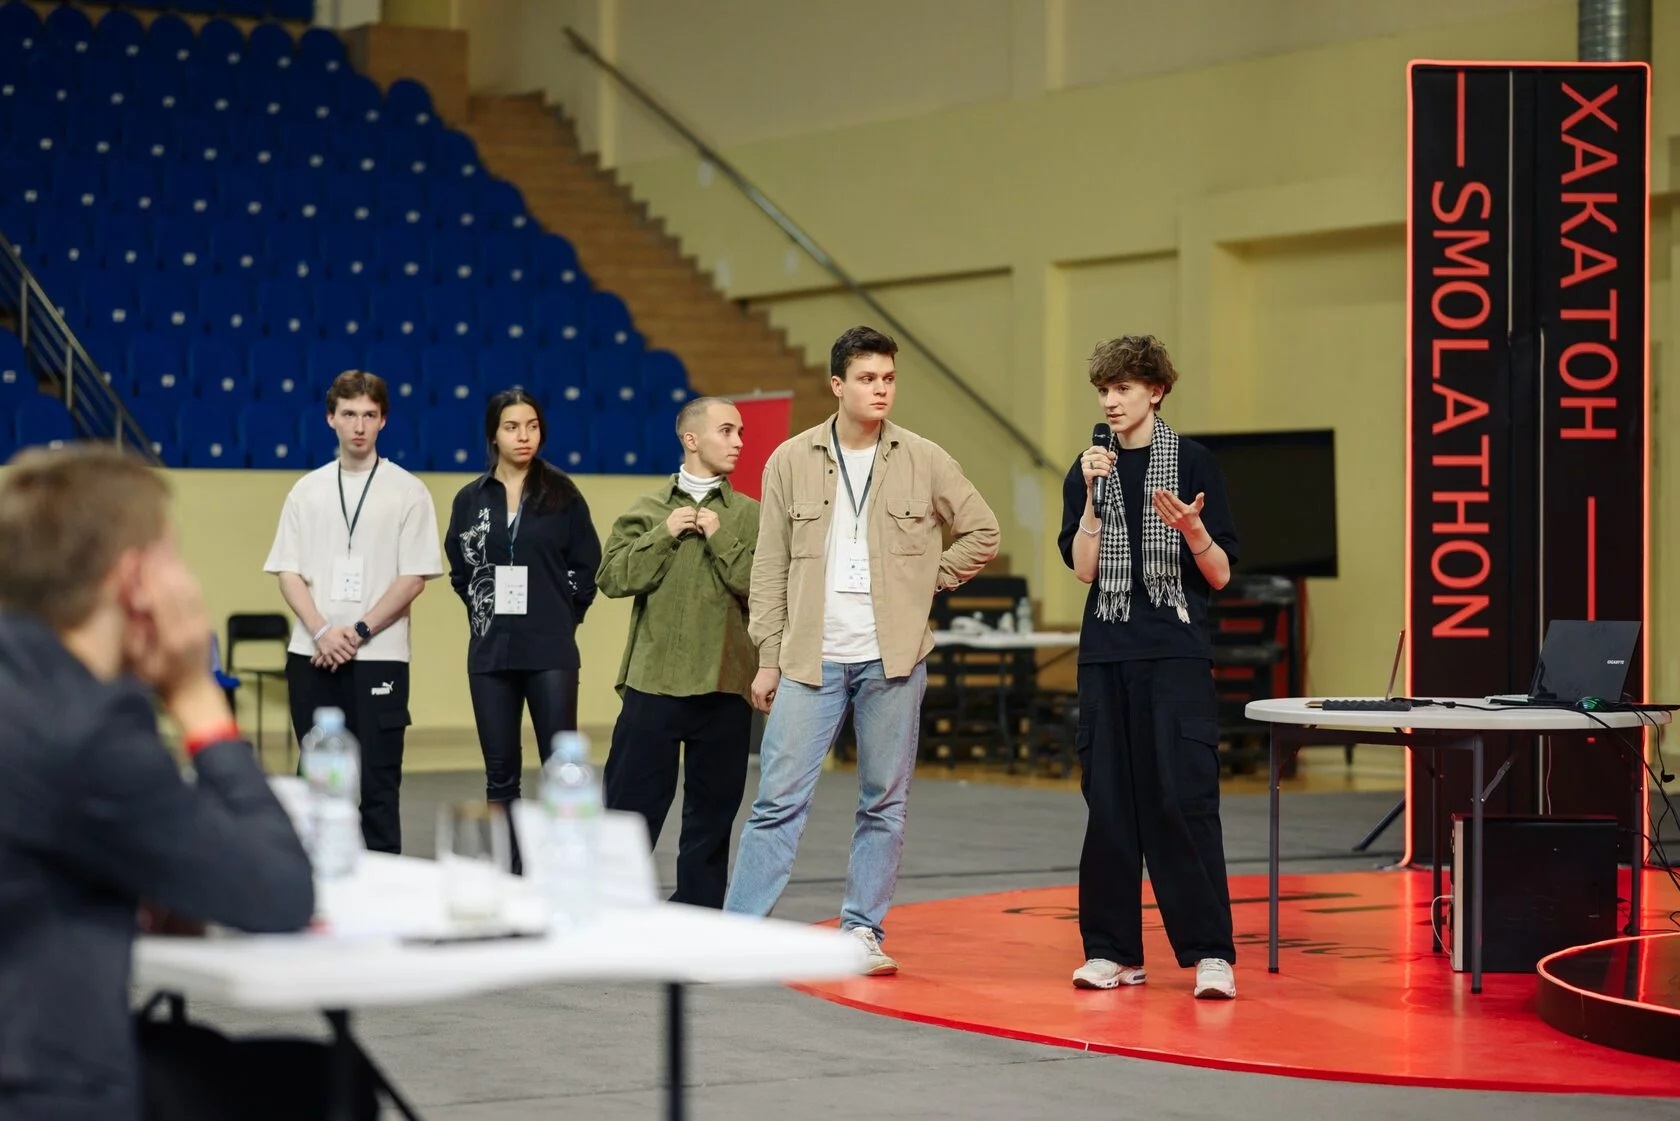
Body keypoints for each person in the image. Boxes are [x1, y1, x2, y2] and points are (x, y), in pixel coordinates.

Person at [0, 445, 315, 1121]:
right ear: (135, 579)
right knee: (324, 1079)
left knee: (205, 1055)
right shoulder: (84, 727)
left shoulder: (35, 687)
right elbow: (278, 890)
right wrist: (196, 693)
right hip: (43, 1086)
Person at [724, 326, 1000, 975]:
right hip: (808, 657)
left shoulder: (924, 458)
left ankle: (862, 929)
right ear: (837, 384)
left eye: (889, 379)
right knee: (776, 800)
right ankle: (737, 934)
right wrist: (768, 656)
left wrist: (927, 579)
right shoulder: (790, 459)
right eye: (868, 378)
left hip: (893, 660)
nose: (881, 389)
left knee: (884, 801)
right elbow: (769, 565)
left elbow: (982, 531)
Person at [1058, 334, 1240, 999]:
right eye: (1104, 390)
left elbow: (1220, 575)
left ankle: (1210, 952)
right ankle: (1111, 951)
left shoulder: (1193, 462)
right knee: (1108, 805)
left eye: (1124, 388)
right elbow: (1084, 569)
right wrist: (1089, 497)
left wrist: (1193, 530)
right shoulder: (1089, 469)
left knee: (1183, 802)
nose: (1111, 401)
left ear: (1156, 391)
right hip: (1106, 653)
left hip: (1175, 653)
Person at [264, 370, 443, 855]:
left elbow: (413, 578)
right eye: (349, 414)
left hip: (380, 656)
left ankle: (382, 886)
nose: (359, 426)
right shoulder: (307, 490)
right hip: (313, 654)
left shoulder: (408, 491)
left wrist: (358, 630)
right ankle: (315, 881)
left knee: (379, 786)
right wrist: (322, 630)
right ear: (331, 418)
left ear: (383, 420)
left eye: (369, 415)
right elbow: (288, 572)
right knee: (317, 782)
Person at [598, 396, 758, 908]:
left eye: (740, 432)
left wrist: (720, 538)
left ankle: (699, 914)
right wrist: (663, 535)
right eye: (727, 431)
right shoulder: (648, 510)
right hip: (653, 684)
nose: (739, 442)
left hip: (725, 684)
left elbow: (765, 588)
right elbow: (612, 579)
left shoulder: (750, 516)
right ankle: (606, 909)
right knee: (629, 809)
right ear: (691, 439)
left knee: (712, 818)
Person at [444, 387, 601, 808]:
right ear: (493, 435)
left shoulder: (563, 493)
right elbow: (461, 571)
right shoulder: (470, 499)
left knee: (560, 769)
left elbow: (587, 564)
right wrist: (484, 610)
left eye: (532, 426)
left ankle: (559, 852)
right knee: (499, 776)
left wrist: (562, 615)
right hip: (489, 652)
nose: (523, 436)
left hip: (550, 649)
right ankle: (507, 853)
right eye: (512, 427)